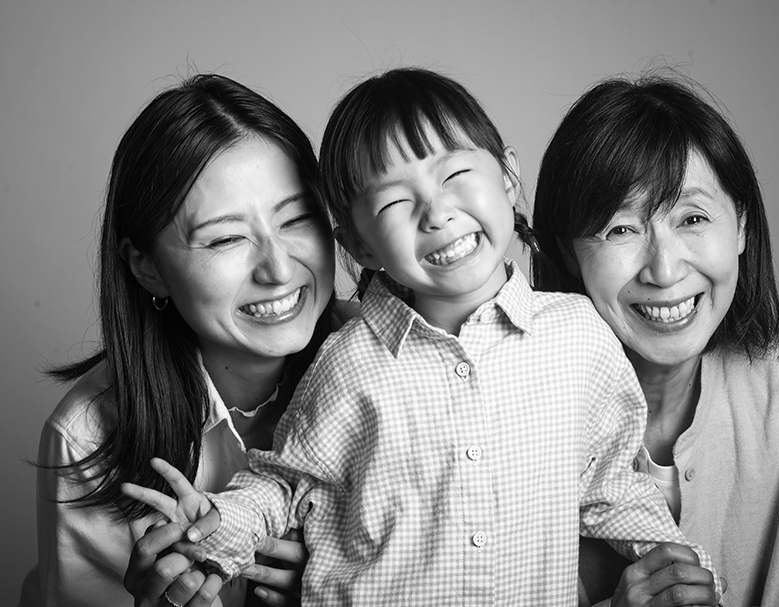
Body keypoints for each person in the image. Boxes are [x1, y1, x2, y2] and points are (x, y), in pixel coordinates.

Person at [123, 67, 723, 606]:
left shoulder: (579, 338)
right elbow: (285, 485)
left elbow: (611, 483)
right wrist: (216, 528)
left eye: (456, 174)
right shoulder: (346, 361)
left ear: (508, 177)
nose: (436, 214)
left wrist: (680, 570)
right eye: (394, 202)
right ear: (359, 245)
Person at [18, 73, 344, 607]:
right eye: (226, 238)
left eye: (298, 218)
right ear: (147, 267)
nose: (280, 270)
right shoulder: (88, 436)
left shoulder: (399, 364)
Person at [532, 72, 779, 606]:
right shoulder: (507, 426)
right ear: (568, 252)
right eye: (620, 229)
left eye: (693, 218)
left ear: (742, 225)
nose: (664, 270)